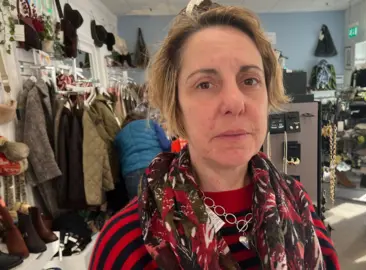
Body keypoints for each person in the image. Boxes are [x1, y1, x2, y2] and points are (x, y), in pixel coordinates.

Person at [89, 1, 340, 269]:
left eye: (250, 80)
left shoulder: (298, 205)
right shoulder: (126, 243)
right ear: (177, 107)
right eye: (205, 84)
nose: (234, 102)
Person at [114, 111, 171, 199]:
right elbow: (166, 145)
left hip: (131, 174)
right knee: (163, 203)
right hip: (155, 166)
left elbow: (117, 160)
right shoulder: (151, 124)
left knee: (138, 206)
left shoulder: (119, 136)